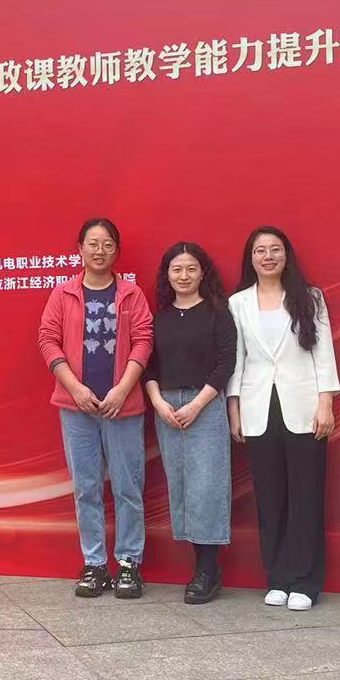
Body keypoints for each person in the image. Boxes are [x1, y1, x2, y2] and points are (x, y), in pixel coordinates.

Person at [37, 218, 154, 598]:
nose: (99, 251)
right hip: (77, 409)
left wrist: (122, 389)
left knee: (127, 487)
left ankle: (129, 564)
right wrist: (75, 389)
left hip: (123, 407)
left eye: (107, 244)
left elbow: (144, 341)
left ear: (116, 251)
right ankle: (94, 564)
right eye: (93, 243)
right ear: (80, 249)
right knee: (86, 488)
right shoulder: (63, 294)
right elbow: (48, 340)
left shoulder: (131, 294)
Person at [226, 226, 340, 611]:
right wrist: (234, 407)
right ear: (251, 258)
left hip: (305, 408)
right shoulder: (238, 303)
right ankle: (277, 578)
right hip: (258, 408)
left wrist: (326, 403)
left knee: (306, 497)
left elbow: (323, 353)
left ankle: (305, 582)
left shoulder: (310, 297)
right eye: (260, 250)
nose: (268, 256)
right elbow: (237, 360)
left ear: (286, 255)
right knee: (270, 498)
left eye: (275, 249)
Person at [144, 242, 236, 604]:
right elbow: (149, 367)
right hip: (167, 407)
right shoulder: (160, 318)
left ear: (203, 273)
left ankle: (208, 569)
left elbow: (226, 364)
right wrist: (158, 403)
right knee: (181, 485)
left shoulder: (218, 314)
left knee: (207, 486)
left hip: (206, 404)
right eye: (177, 269)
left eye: (191, 269)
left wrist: (197, 405)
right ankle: (200, 564)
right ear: (167, 275)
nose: (184, 276)